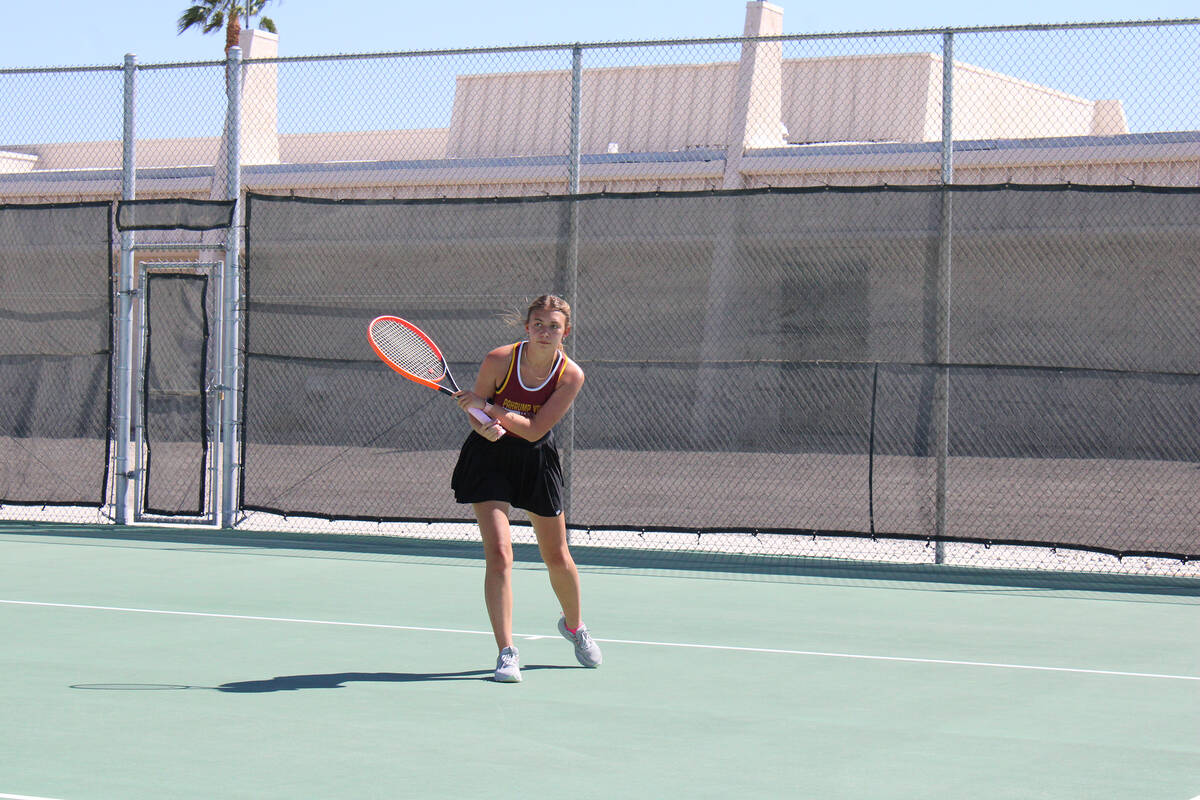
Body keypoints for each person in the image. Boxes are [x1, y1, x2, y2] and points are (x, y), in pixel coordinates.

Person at [451, 294, 602, 683]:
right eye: (538, 324)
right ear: (527, 327)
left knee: (557, 556)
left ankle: (574, 626)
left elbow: (536, 429)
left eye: (554, 326)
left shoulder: (570, 375)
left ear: (565, 332)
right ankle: (506, 651)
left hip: (536, 459)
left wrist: (494, 410)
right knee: (500, 555)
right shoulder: (499, 360)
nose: (545, 332)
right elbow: (476, 415)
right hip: (489, 457)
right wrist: (481, 421)